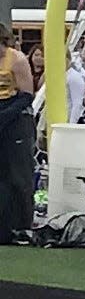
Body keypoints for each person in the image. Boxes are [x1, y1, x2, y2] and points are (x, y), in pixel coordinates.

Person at [0, 26, 36, 245]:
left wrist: (5, 115)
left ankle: (23, 226)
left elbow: (27, 95)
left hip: (16, 117)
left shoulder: (17, 59)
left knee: (19, 175)